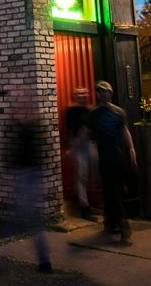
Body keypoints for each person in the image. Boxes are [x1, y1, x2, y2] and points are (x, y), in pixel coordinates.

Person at [88, 80, 136, 244]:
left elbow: (125, 131)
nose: (103, 94)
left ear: (111, 92)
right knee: (110, 193)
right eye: (100, 92)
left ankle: (123, 229)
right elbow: (88, 136)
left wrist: (131, 149)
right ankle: (112, 224)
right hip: (104, 159)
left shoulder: (118, 112)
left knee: (115, 193)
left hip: (118, 158)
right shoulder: (94, 114)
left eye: (106, 91)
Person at [9, 89, 52, 273]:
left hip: (29, 175)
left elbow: (31, 150)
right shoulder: (24, 124)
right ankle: (41, 258)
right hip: (26, 174)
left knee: (32, 218)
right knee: (27, 217)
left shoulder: (31, 125)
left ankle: (44, 261)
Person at [65, 87, 95, 219]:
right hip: (78, 146)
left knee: (93, 175)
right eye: (78, 93)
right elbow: (69, 130)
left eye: (83, 93)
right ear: (75, 95)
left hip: (92, 144)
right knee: (82, 176)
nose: (81, 95)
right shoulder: (72, 111)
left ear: (88, 94)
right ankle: (85, 207)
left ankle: (76, 199)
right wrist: (71, 147)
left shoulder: (92, 110)